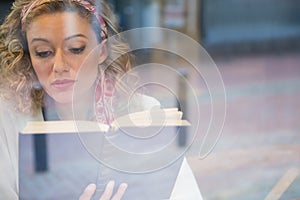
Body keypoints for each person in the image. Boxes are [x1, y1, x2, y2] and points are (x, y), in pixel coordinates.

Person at [0, 0, 203, 199]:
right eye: (43, 53)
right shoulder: (7, 119)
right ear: (28, 57)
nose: (59, 66)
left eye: (76, 48)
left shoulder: (144, 113)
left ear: (102, 51)